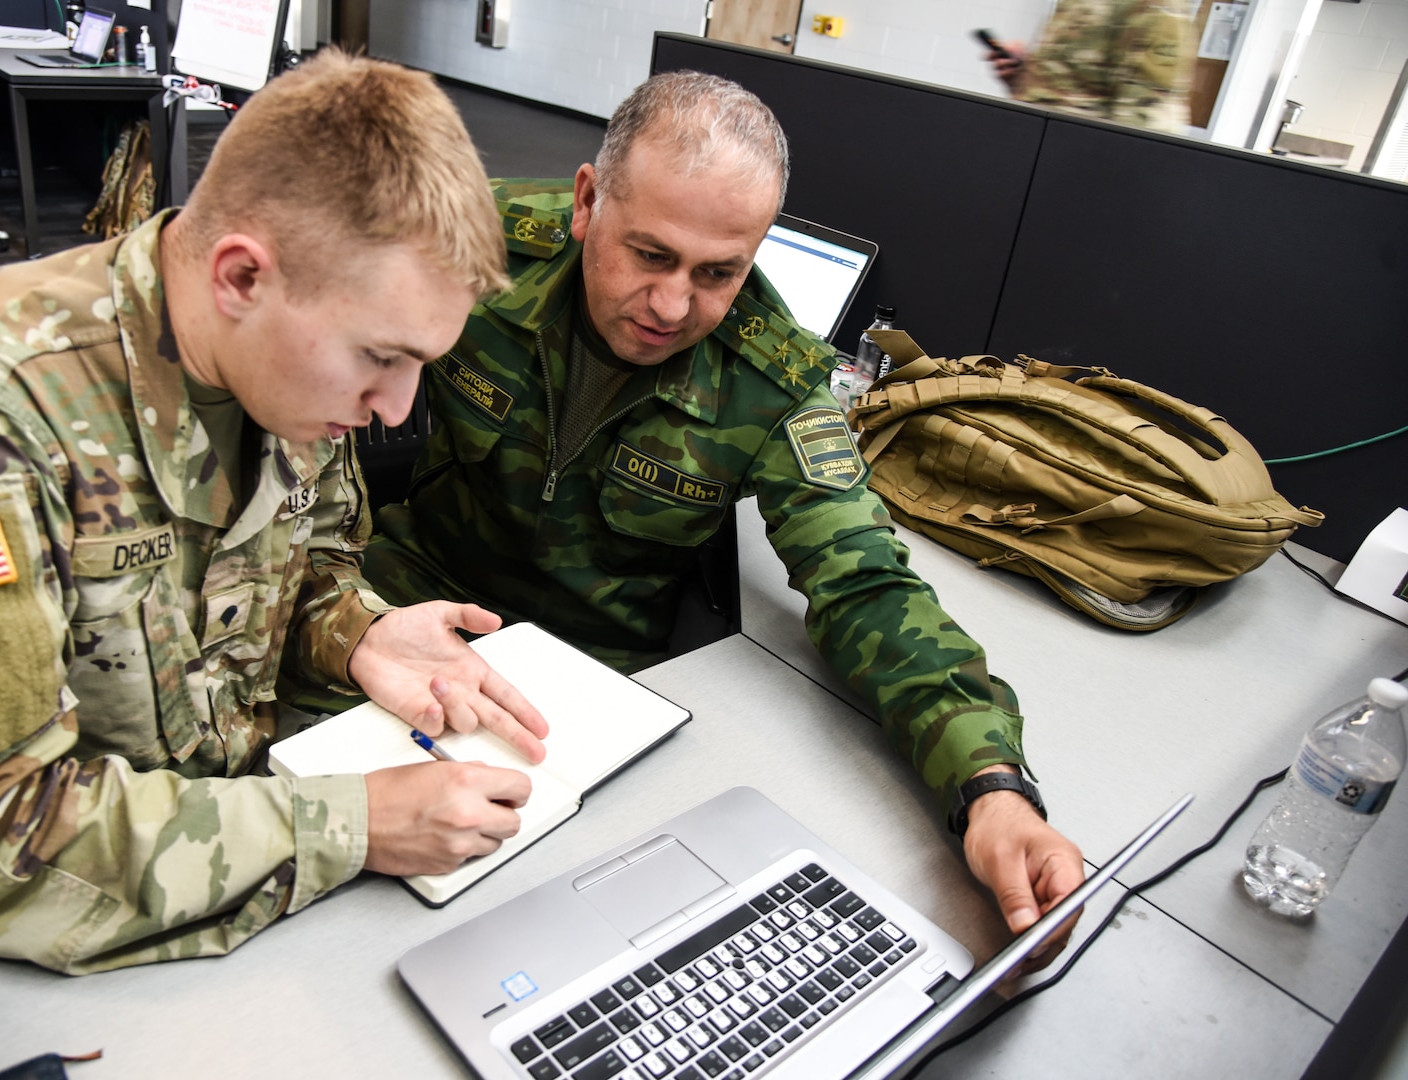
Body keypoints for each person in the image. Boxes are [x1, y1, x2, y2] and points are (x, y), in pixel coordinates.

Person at [291, 70, 1089, 968]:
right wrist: (333, 599)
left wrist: (990, 788)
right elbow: (302, 376)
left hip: (578, 699)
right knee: (299, 855)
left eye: (719, 272)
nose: (673, 306)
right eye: (650, 255)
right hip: (398, 612)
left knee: (521, 938)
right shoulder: (477, 241)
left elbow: (868, 586)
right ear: (589, 201)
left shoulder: (774, 378)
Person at [0, 50, 551, 974]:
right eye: (382, 357)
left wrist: (354, 632)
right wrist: (353, 825)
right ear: (240, 277)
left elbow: (299, 565)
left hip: (222, 834)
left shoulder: (293, 371)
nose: (397, 409)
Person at [989, 0, 1199, 133]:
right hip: (1032, 149)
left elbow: (1149, 123)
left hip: (1071, 168)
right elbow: (1071, 84)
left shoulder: (1157, 5)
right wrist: (1023, 76)